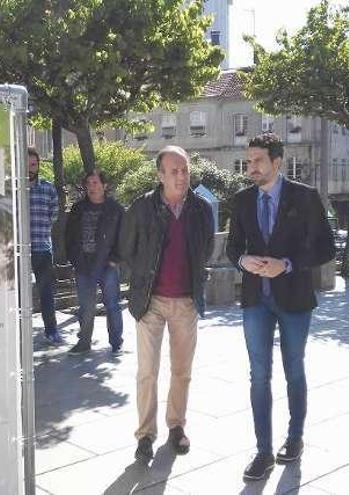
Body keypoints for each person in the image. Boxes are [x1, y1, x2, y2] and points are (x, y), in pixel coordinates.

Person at [226, 133, 335, 481]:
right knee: (259, 375)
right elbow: (232, 248)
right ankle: (263, 452)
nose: (251, 166)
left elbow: (326, 248)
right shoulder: (242, 200)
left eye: (258, 160)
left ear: (277, 162)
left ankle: (295, 438)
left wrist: (286, 264)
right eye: (249, 160)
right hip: (256, 299)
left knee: (294, 370)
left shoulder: (305, 197)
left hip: (295, 299)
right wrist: (244, 260)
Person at [120, 145, 214, 460]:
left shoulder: (201, 208)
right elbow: (127, 251)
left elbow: (207, 247)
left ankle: (176, 426)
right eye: (173, 171)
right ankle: (145, 435)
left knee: (182, 370)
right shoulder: (142, 207)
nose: (181, 176)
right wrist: (144, 281)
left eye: (185, 169)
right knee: (147, 371)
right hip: (150, 302)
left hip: (186, 301)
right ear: (160, 175)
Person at [65, 169, 124, 355]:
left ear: (104, 186)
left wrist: (116, 259)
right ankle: (84, 342)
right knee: (86, 306)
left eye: (95, 183)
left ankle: (116, 342)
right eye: (89, 183)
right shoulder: (77, 208)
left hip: (107, 265)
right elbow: (69, 238)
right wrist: (74, 260)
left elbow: (125, 237)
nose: (92, 187)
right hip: (84, 264)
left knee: (112, 304)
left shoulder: (115, 209)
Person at [27, 147, 63, 344]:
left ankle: (51, 330)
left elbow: (54, 213)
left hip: (42, 248)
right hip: (19, 253)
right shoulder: (13, 189)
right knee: (18, 295)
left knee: (46, 292)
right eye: (26, 165)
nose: (30, 168)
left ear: (38, 165)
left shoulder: (47, 188)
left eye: (33, 164)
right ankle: (18, 333)